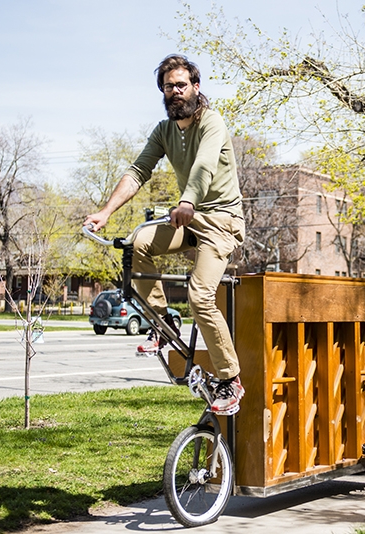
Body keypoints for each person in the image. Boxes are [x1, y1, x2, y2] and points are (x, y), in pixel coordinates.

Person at [84, 54, 245, 415]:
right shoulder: (163, 131)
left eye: (181, 85)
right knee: (137, 244)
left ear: (195, 87)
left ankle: (230, 378)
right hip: (189, 219)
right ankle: (163, 318)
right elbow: (138, 171)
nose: (175, 92)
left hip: (221, 221)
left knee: (201, 296)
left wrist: (187, 200)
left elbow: (204, 165)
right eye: (168, 87)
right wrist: (106, 213)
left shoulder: (212, 122)